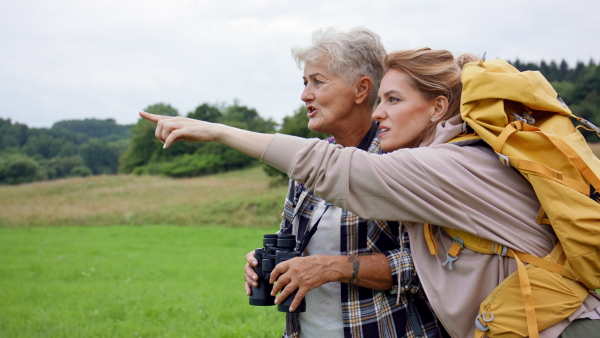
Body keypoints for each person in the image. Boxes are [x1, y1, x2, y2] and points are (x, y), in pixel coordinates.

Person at [140, 46, 600, 337]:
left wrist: (218, 132)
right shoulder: (456, 158)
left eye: (393, 99)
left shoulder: (452, 164)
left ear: (439, 107)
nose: (380, 112)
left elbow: (340, 171)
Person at [142, 28, 443, 338]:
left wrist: (331, 267)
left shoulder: (401, 161)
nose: (305, 95)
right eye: (304, 83)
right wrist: (265, 260)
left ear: (361, 89)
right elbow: (291, 239)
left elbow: (424, 266)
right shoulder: (306, 163)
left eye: (317, 81)